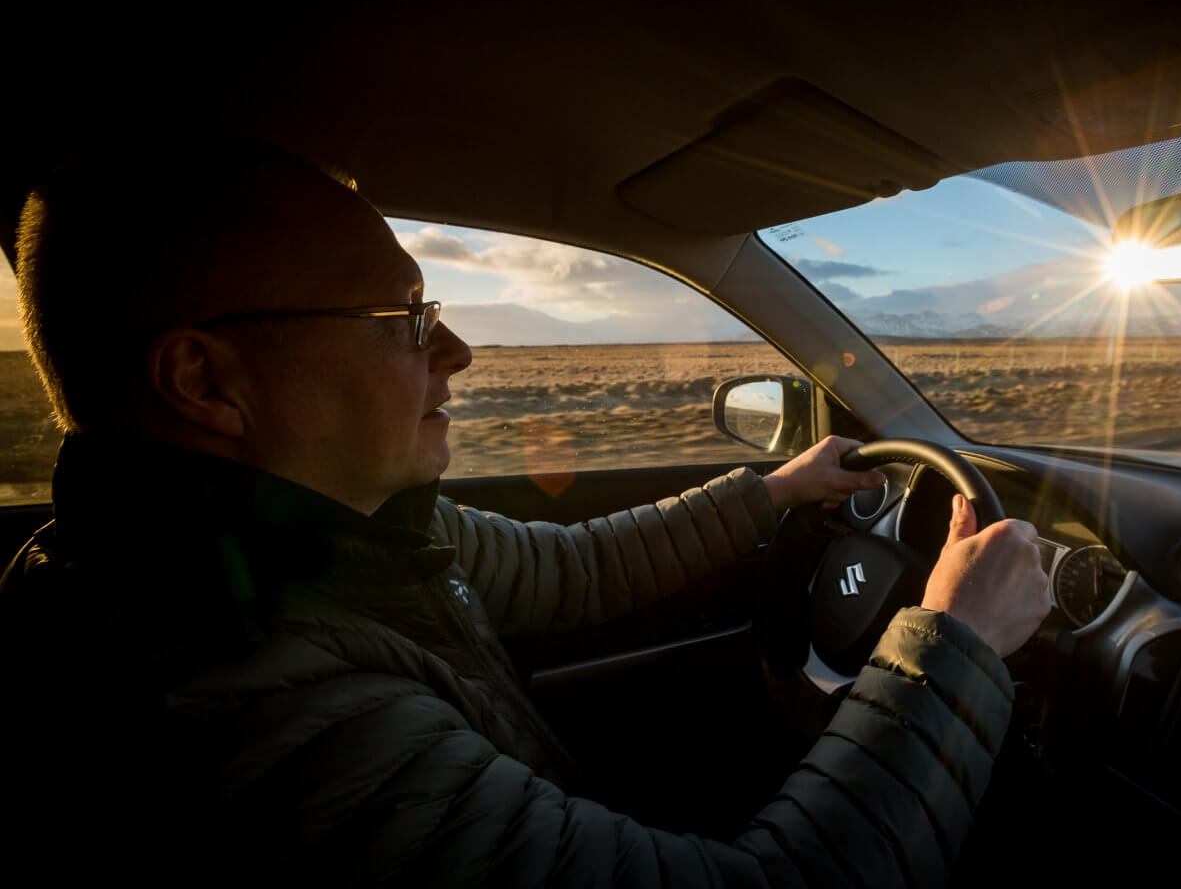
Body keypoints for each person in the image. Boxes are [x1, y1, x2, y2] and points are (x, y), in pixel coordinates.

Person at [0, 143, 1051, 885]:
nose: (454, 353)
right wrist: (953, 646)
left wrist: (771, 493)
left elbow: (573, 569)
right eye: (404, 318)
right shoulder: (246, 709)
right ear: (206, 380)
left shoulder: (336, 538)